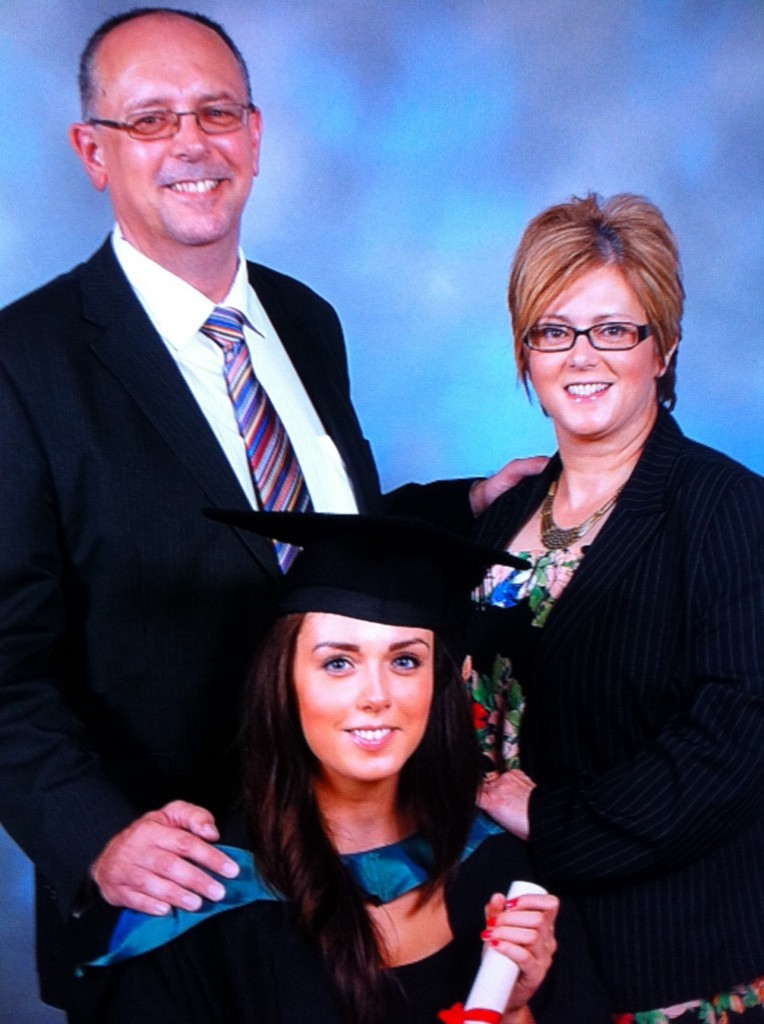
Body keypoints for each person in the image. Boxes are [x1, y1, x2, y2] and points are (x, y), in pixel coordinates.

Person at [0, 8, 538, 1016]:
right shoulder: (22, 367)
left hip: (370, 871)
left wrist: (459, 505)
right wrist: (96, 833)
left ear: (254, 132)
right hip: (190, 908)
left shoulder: (302, 319)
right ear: (92, 152)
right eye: (151, 120)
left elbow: (303, 535)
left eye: (214, 111)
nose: (191, 143)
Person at [71, 512, 610, 1024]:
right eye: (337, 663)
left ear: (440, 681)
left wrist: (514, 1007)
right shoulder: (195, 902)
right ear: (285, 681)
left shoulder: (496, 867)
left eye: (405, 661)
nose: (375, 695)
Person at [469, 193, 764, 1022]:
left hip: (674, 964)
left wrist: (552, 817)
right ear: (526, 354)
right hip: (528, 952)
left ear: (663, 347)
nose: (581, 355)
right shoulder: (503, 515)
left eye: (614, 329)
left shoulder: (727, 511)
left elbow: (735, 743)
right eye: (553, 330)